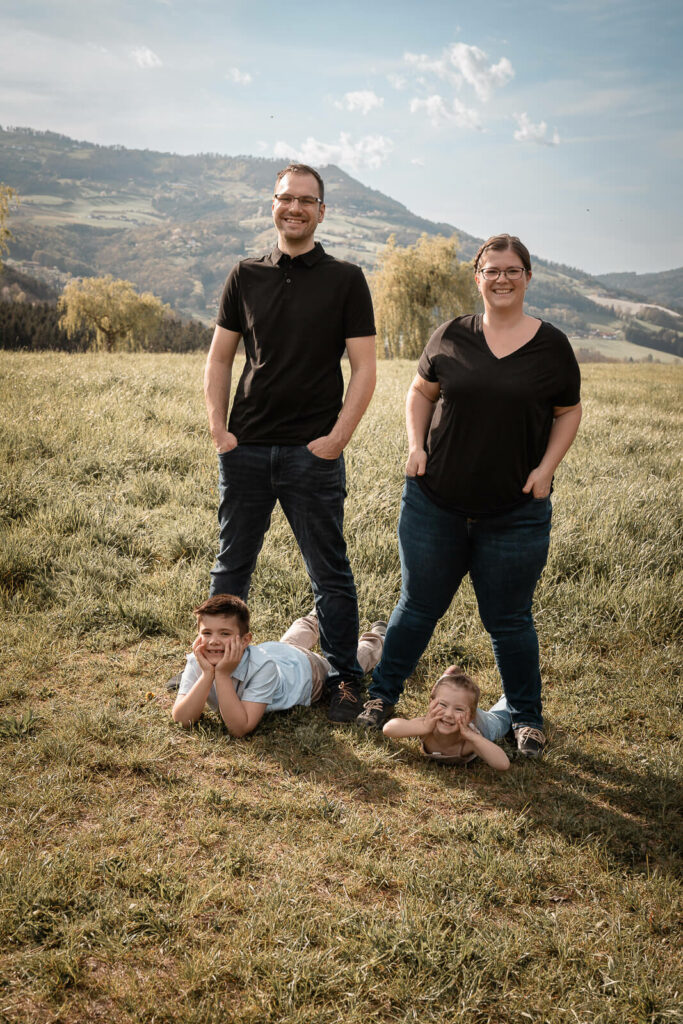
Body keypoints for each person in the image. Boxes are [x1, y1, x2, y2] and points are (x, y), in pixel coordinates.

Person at [357, 233, 582, 758]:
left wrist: (547, 468)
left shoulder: (552, 346)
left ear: (528, 276)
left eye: (512, 270)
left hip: (515, 513)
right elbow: (420, 391)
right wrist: (415, 445)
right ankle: (381, 697)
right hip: (434, 504)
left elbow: (567, 411)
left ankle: (527, 719)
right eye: (492, 270)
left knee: (510, 621)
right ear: (477, 277)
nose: (502, 278)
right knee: (416, 608)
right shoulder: (451, 335)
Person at [204, 163, 377, 724]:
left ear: (321, 212)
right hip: (247, 449)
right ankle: (208, 666)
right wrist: (220, 430)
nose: (295, 208)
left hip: (313, 453)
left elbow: (365, 369)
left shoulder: (346, 279)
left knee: (329, 572)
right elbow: (221, 357)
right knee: (231, 567)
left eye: (307, 200)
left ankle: (347, 679)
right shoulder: (244, 274)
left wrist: (335, 440)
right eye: (286, 199)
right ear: (272, 205)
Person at [172, 594, 387, 736]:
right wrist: (207, 674)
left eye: (225, 633)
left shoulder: (262, 668)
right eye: (206, 633)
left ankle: (376, 639)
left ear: (245, 640)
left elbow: (239, 727)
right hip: (276, 652)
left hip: (305, 672)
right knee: (289, 643)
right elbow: (182, 719)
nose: (213, 641)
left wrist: (222, 675)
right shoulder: (197, 661)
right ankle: (316, 617)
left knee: (345, 664)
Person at [383, 666, 511, 771]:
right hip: (462, 708)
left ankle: (514, 694)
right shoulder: (426, 727)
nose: (449, 714)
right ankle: (449, 682)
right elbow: (388, 728)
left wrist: (472, 736)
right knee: (454, 698)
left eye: (458, 709)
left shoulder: (470, 741)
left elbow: (503, 764)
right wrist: (424, 726)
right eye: (443, 705)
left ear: (471, 716)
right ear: (431, 704)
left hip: (482, 725)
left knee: (503, 717)